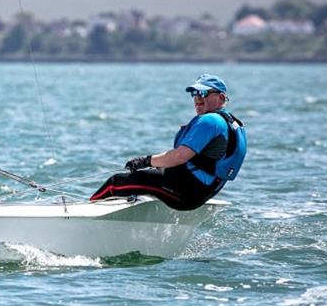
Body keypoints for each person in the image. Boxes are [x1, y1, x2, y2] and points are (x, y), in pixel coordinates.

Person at [90, 74, 247, 210]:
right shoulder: (229, 122)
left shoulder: (210, 120)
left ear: (220, 97)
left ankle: (86, 219)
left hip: (186, 192)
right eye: (195, 93)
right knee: (140, 179)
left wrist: (145, 161)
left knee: (115, 182)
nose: (198, 98)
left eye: (204, 93)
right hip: (201, 190)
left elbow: (179, 157)